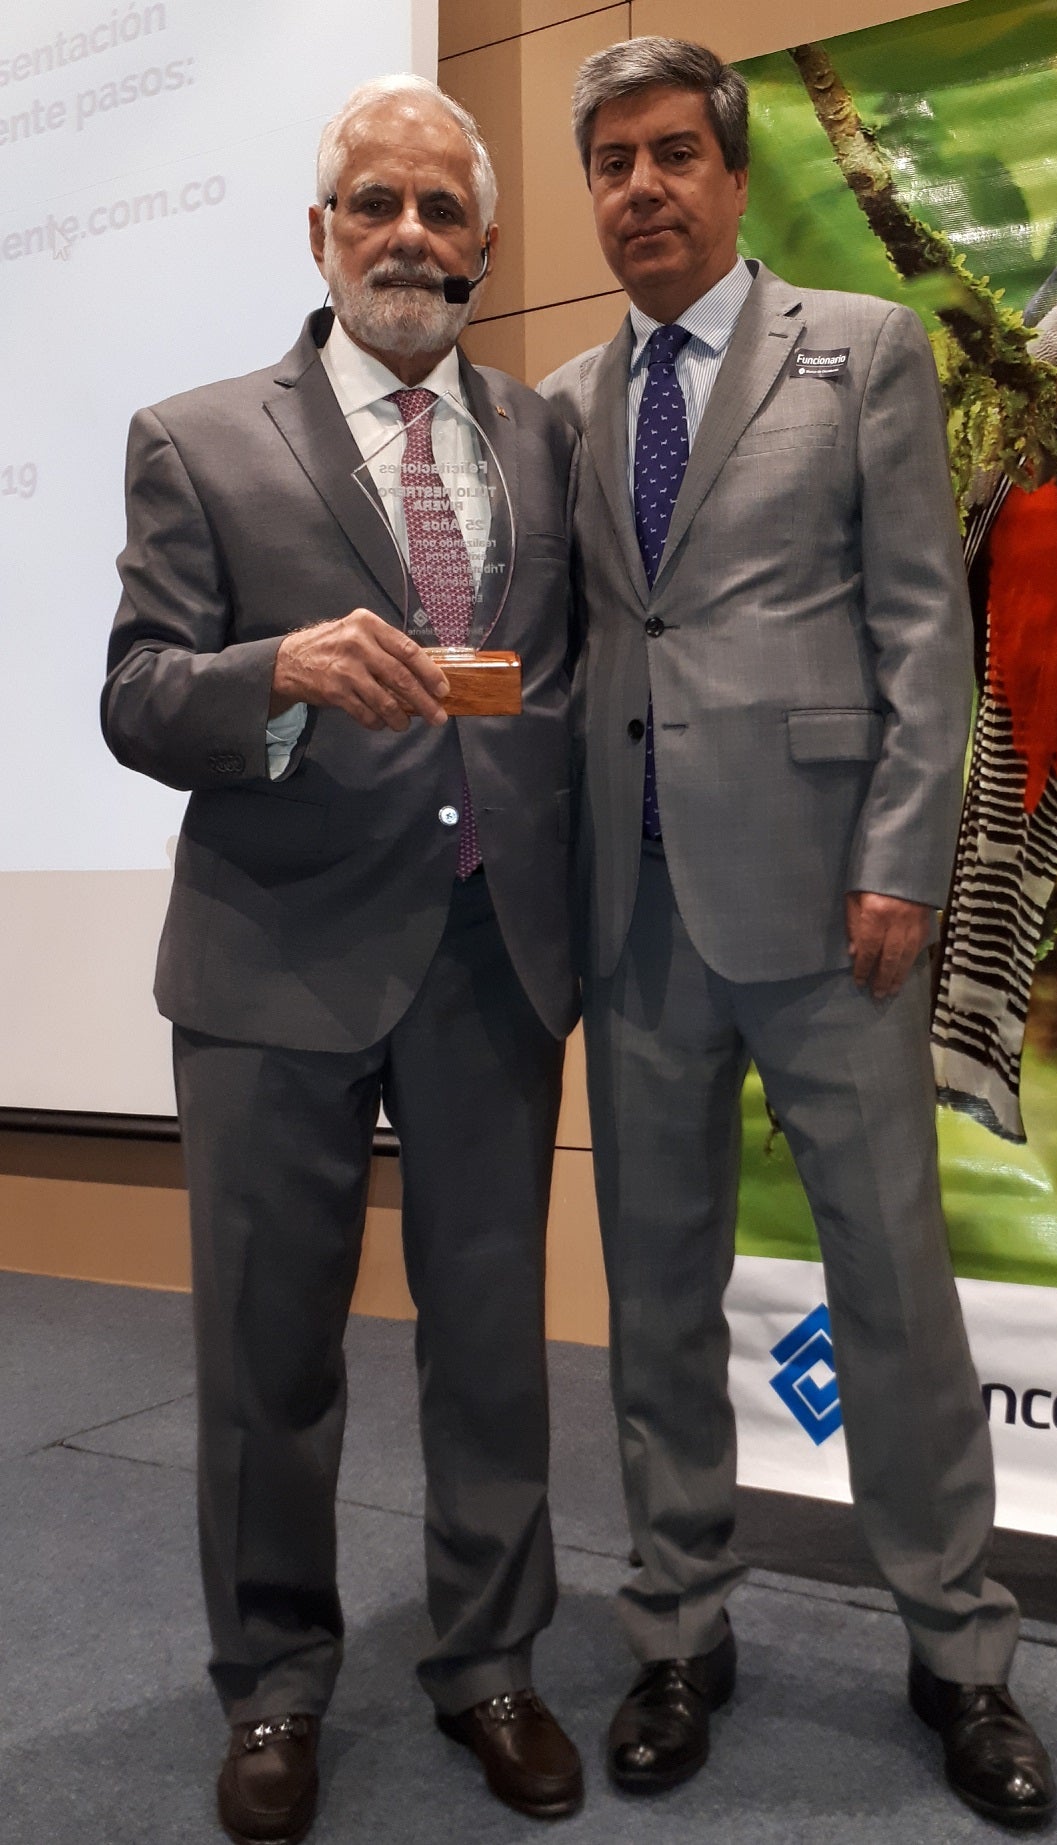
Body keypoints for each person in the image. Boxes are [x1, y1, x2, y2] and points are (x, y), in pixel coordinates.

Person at [541, 37, 1057, 1830]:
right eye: (611, 162)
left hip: (840, 914)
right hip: (636, 918)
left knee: (893, 1289)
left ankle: (961, 1651)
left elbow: (925, 624)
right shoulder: (565, 398)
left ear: (734, 171)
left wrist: (904, 858)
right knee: (657, 1294)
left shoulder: (863, 347)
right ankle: (678, 1628)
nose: (641, 188)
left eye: (672, 153)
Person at [103, 74, 584, 1844]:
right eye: (374, 203)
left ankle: (491, 1661)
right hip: (274, 961)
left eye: (441, 209)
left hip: (489, 955)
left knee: (495, 1343)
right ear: (319, 233)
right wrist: (278, 677)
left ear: (485, 245)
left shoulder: (545, 439)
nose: (408, 234)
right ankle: (274, 1684)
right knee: (268, 1355)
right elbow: (138, 695)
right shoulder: (196, 437)